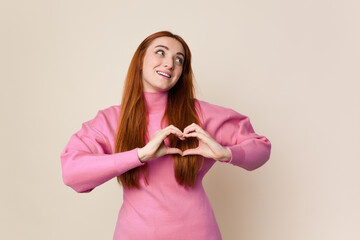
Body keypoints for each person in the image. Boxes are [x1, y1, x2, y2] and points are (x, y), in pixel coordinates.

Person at [60, 31, 271, 240]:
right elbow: (72, 173)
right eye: (161, 52)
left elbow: (261, 149)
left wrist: (226, 153)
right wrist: (139, 155)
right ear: (141, 60)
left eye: (179, 60)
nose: (170, 64)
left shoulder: (202, 115)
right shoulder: (112, 120)